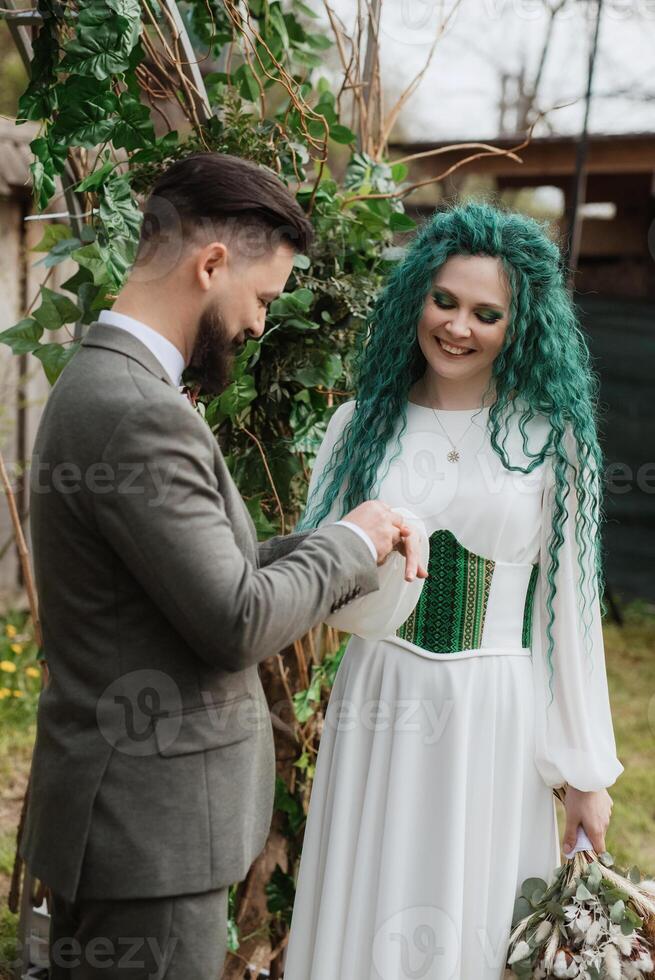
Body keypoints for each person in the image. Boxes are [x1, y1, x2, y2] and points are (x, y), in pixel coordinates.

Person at [19, 152, 427, 980]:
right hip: (148, 840)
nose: (260, 324)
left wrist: (350, 537)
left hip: (136, 832)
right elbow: (234, 618)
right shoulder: (139, 413)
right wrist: (349, 546)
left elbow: (201, 574)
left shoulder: (105, 384)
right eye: (263, 297)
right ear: (211, 265)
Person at [283, 200, 624, 980]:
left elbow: (568, 610)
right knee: (365, 895)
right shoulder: (356, 428)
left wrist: (583, 772)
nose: (458, 327)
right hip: (381, 696)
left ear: (519, 324)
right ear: (416, 300)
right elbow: (314, 582)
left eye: (485, 312)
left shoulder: (553, 440)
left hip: (494, 713)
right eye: (443, 301)